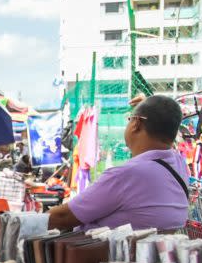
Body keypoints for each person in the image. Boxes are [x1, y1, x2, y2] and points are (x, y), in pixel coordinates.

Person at [48, 95, 189, 232]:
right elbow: (164, 118)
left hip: (105, 254)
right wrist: (149, 108)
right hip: (155, 251)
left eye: (129, 119)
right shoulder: (179, 164)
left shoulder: (126, 175)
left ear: (136, 124)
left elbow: (62, 217)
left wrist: (26, 222)